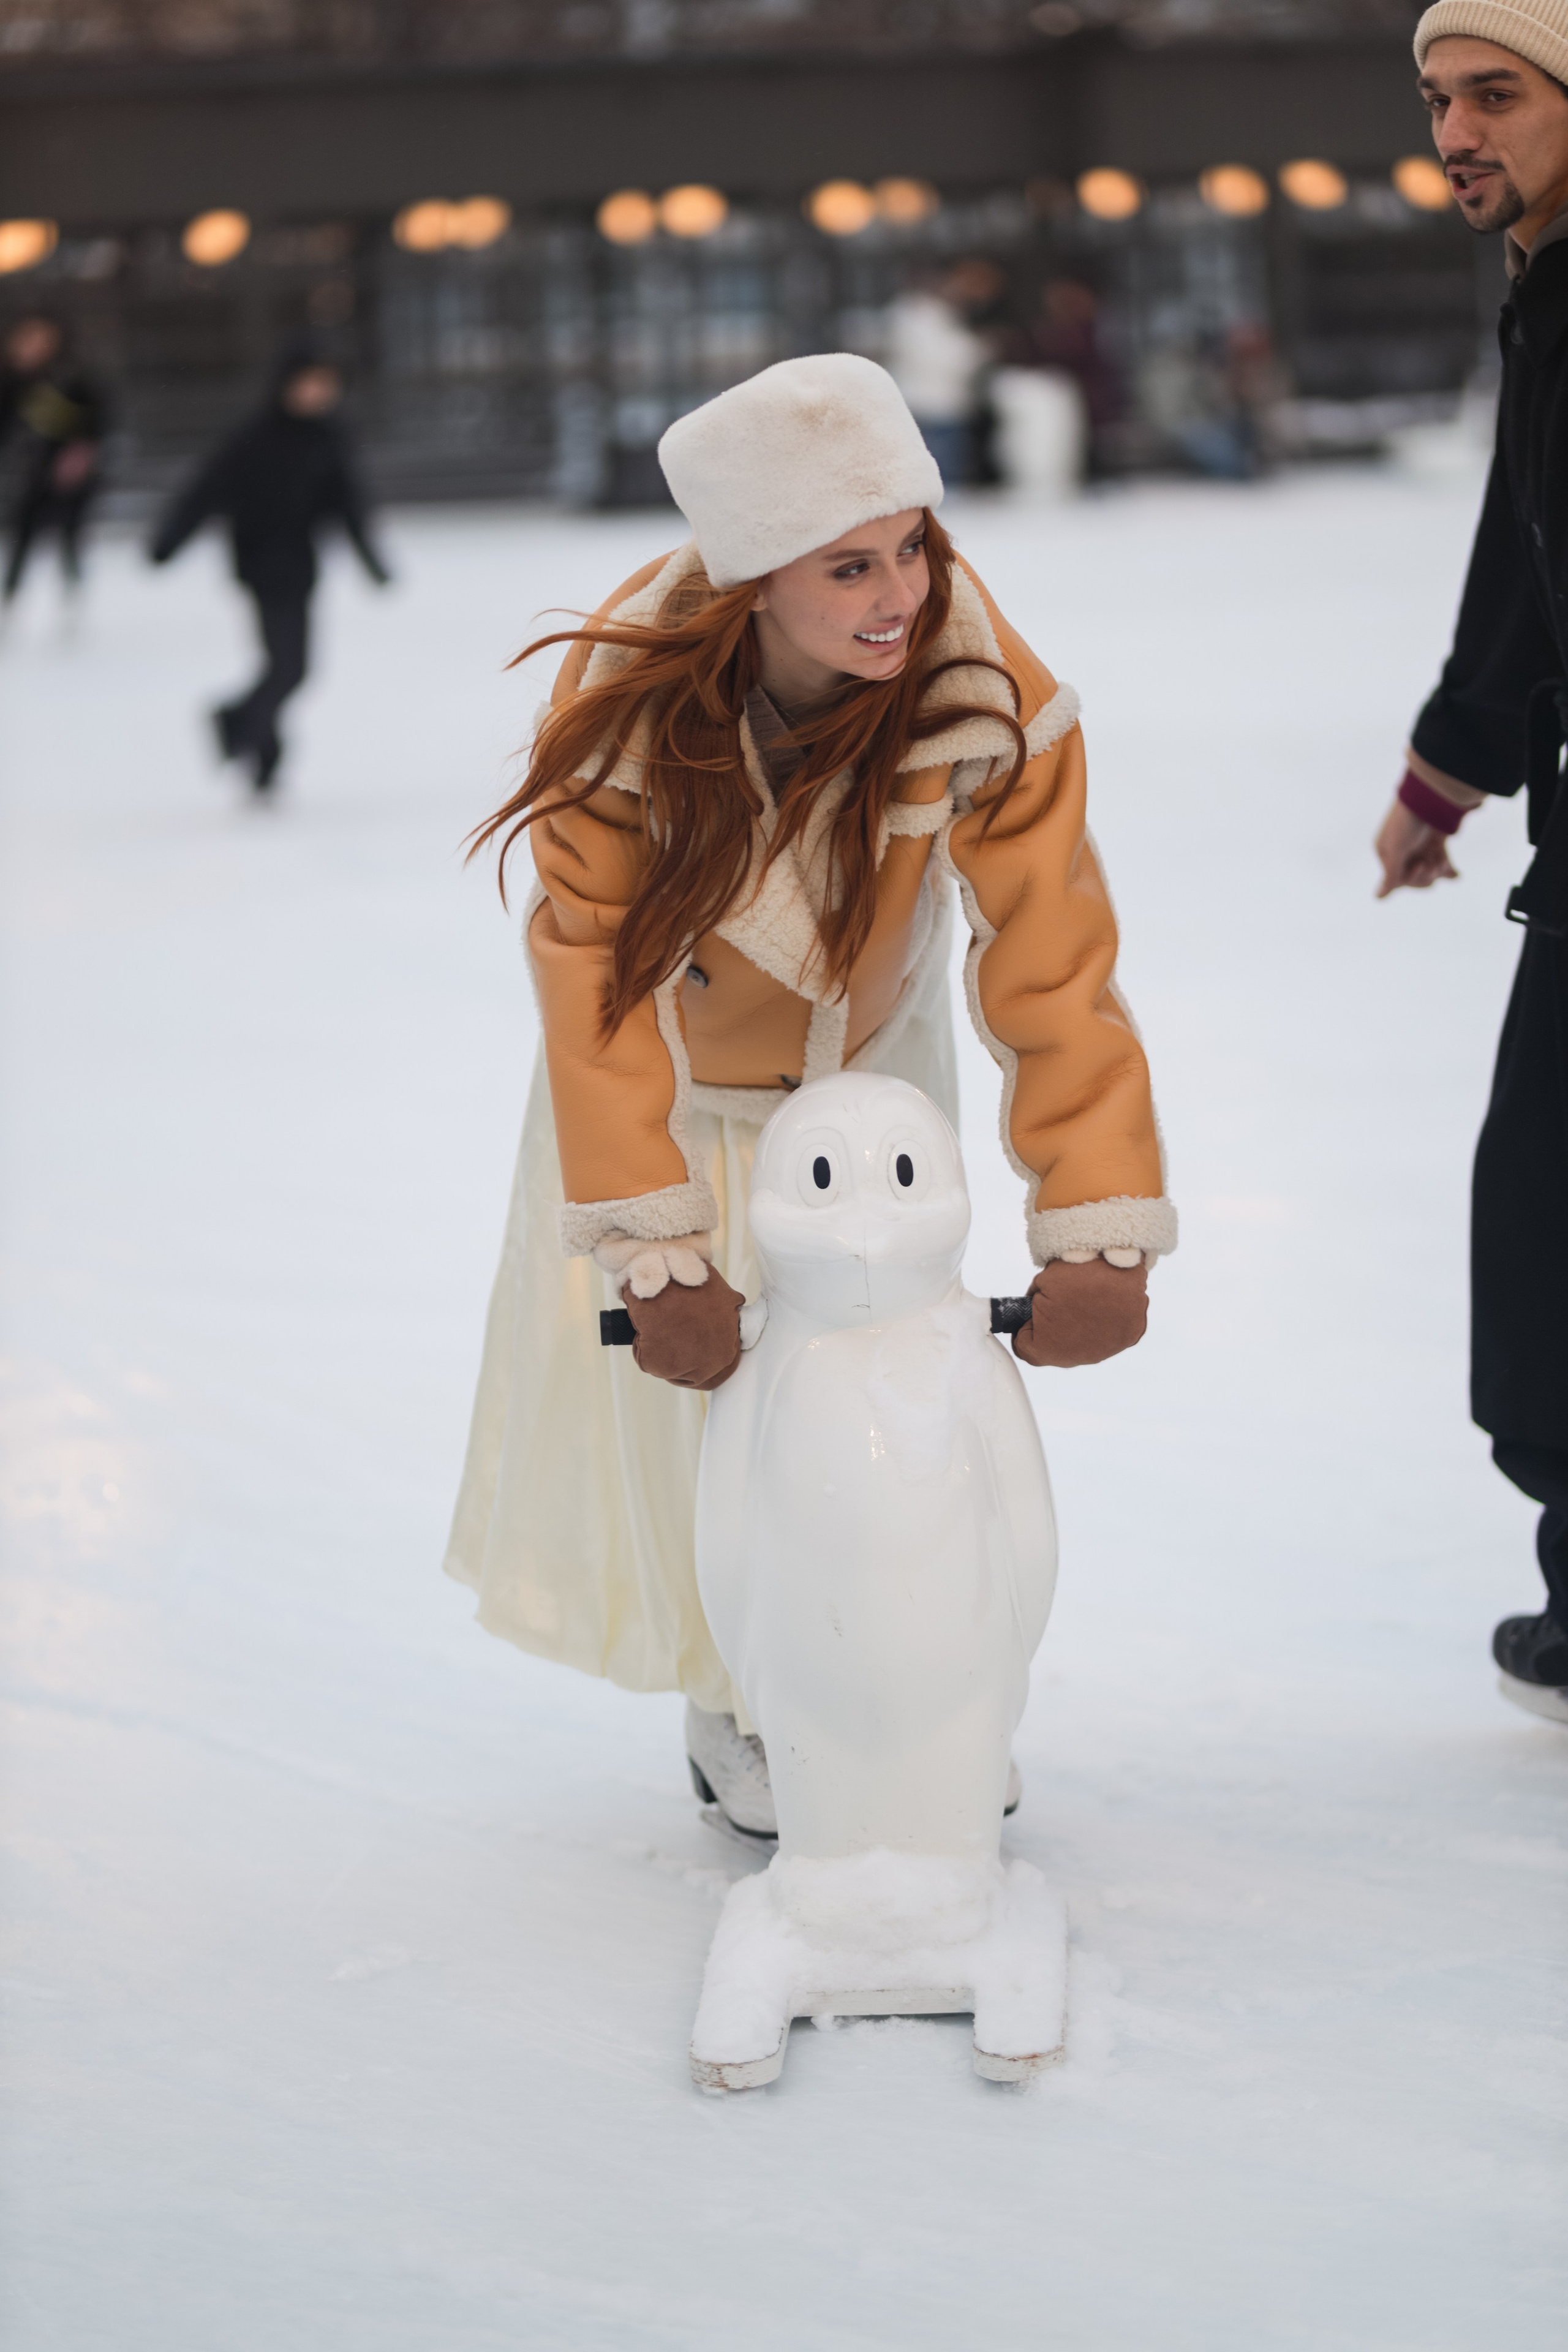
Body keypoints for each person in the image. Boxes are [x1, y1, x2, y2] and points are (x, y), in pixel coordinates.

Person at [445, 353, 1177, 1833]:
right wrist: (653, 1245)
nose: (896, 590)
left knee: (879, 1400)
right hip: (664, 1097)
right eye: (847, 564)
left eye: (908, 543)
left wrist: (1095, 1213)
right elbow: (593, 983)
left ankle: (915, 1687)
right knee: (705, 1426)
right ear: (751, 579)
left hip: (857, 1084)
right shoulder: (624, 710)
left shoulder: (980, 688)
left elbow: (1051, 960)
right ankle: (744, 1696)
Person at [1378, 1, 1568, 1728]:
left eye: (1495, 94)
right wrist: (1450, 769)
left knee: (1548, 1233)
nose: (1456, 130)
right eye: (1442, 99)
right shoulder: (1547, 293)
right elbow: (1522, 570)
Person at [149, 334, 389, 791]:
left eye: (326, 383)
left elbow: (349, 505)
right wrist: (169, 542)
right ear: (286, 384)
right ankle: (246, 733)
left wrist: (371, 561)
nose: (318, 392)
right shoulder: (255, 435)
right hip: (260, 566)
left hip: (301, 566)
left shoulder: (329, 438)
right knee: (288, 668)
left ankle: (254, 744)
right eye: (309, 383)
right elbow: (207, 489)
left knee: (286, 667)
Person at [0, 312, 107, 609]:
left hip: (68, 474)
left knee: (69, 536)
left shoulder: (72, 378)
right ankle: (11, 600)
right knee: (22, 536)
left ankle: (73, 600)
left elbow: (97, 421)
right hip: (27, 473)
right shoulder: (13, 382)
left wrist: (81, 454)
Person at [884, 268, 992, 486]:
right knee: (939, 475)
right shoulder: (923, 316)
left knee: (935, 471)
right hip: (933, 404)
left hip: (931, 403)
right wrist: (980, 349)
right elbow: (941, 358)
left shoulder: (918, 315)